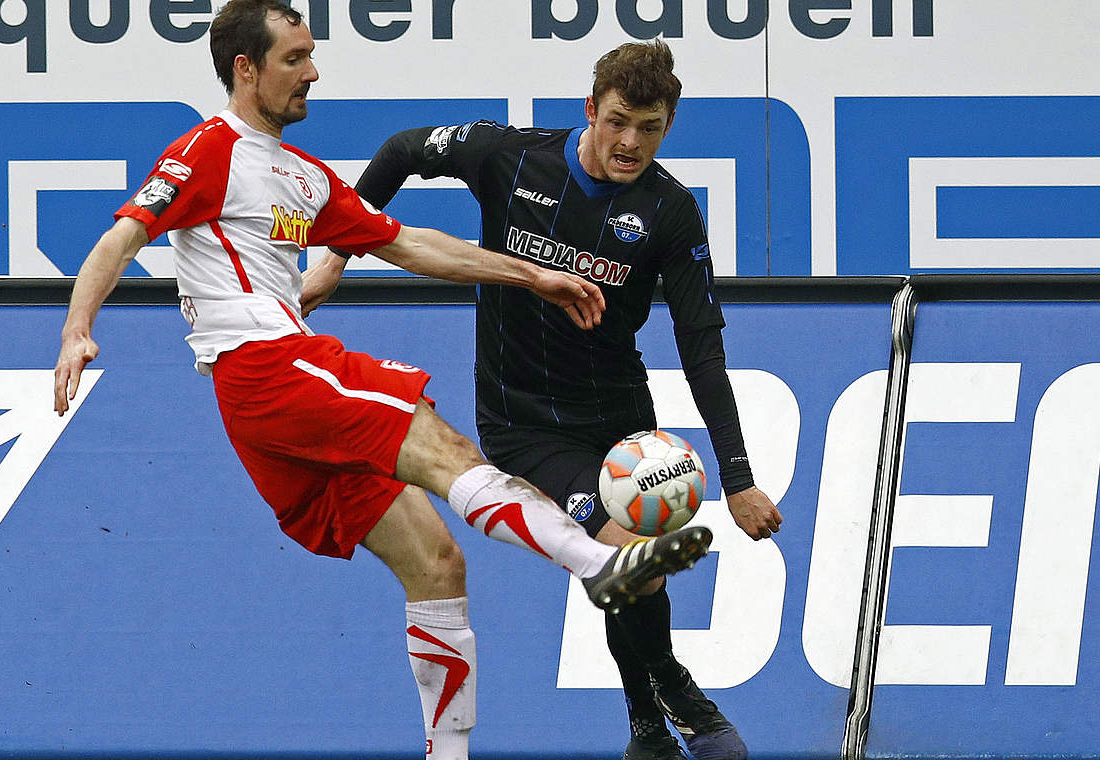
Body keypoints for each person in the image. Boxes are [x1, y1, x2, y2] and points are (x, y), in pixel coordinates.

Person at [52, 4, 713, 758]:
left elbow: (412, 244)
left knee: (434, 560)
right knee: (442, 446)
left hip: (271, 400)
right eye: (295, 57)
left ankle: (448, 753)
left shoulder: (303, 178)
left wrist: (531, 274)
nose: (314, 71)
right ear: (246, 68)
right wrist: (78, 329)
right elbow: (125, 233)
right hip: (266, 365)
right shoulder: (209, 149)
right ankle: (600, 565)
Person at [302, 39, 784, 760]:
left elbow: (701, 345)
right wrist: (336, 255)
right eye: (618, 120)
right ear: (590, 109)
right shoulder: (512, 158)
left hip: (621, 415)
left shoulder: (671, 211)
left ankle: (646, 731)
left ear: (669, 125)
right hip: (523, 420)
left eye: (649, 128)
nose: (630, 142)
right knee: (627, 552)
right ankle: (676, 688)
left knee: (634, 565)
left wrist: (740, 480)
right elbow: (402, 150)